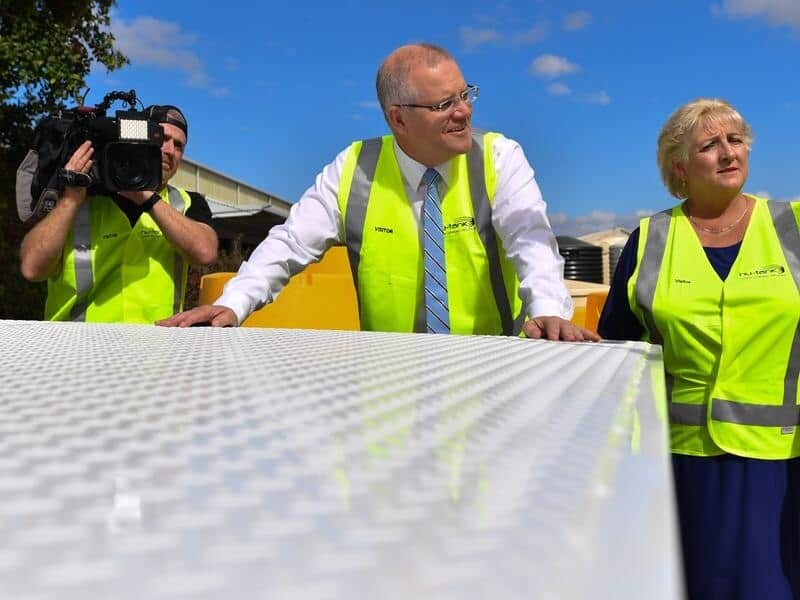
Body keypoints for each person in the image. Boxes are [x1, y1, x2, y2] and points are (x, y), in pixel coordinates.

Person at [160, 43, 596, 341]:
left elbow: (532, 242)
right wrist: (234, 303)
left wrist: (549, 312)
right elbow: (291, 242)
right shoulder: (354, 168)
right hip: (390, 379)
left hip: (492, 370)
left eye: (465, 94)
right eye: (444, 104)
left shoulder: (499, 157)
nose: (464, 111)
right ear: (398, 119)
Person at [598, 98, 800, 598]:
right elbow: (616, 348)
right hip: (680, 464)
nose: (728, 153)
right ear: (680, 167)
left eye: (736, 141)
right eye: (710, 145)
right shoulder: (649, 239)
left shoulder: (792, 226)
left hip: (783, 461)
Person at [19, 104, 218, 323]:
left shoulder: (188, 203)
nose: (170, 150)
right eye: (162, 139)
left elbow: (204, 253)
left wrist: (146, 197)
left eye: (178, 145)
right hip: (77, 350)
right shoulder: (82, 195)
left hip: (156, 349)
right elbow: (32, 268)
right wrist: (70, 199)